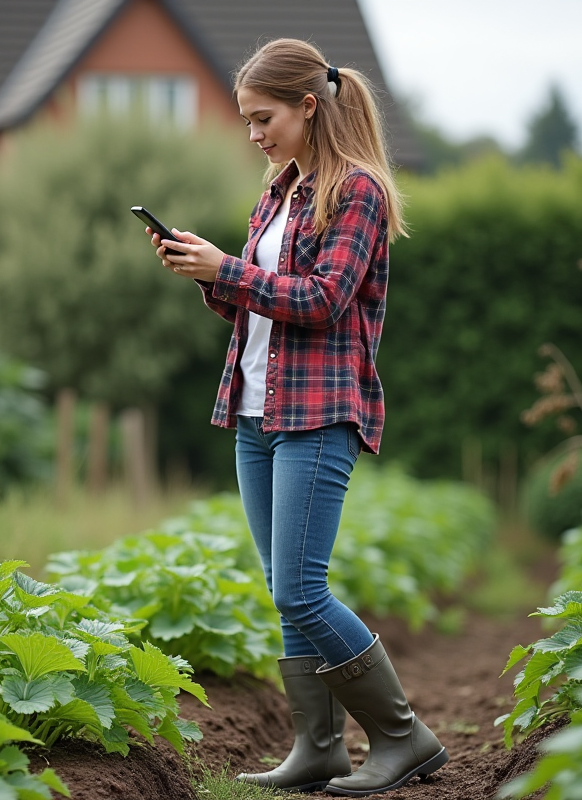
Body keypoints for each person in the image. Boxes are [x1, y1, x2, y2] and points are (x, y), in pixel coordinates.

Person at [146, 38, 447, 797]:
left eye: (263, 117)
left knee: (300, 589)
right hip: (256, 412)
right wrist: (206, 273)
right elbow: (258, 301)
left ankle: (403, 737)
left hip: (319, 415)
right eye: (247, 122)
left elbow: (322, 300)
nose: (253, 134)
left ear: (308, 106)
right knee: (285, 585)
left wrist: (231, 269)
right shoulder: (279, 189)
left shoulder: (359, 192)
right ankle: (318, 747)